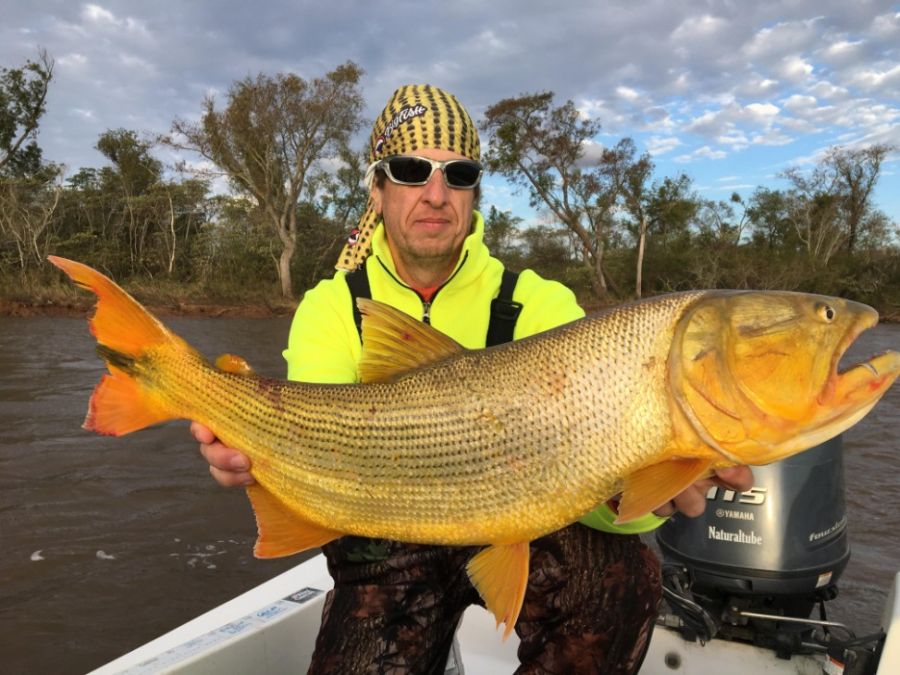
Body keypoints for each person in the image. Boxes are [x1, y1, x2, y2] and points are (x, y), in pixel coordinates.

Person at [192, 84, 753, 674]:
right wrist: (253, 449)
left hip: (525, 532)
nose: (436, 195)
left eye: (458, 174)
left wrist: (657, 492)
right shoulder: (332, 307)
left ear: (474, 192)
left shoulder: (539, 304)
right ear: (378, 190)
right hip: (386, 540)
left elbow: (593, 484)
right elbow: (326, 456)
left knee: (626, 576)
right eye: (412, 171)